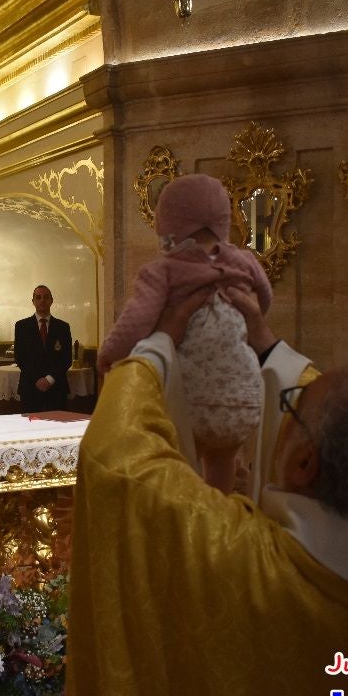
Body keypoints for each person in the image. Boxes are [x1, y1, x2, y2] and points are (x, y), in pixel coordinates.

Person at [66, 286, 348, 696]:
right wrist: (268, 345)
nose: (291, 403)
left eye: (293, 407)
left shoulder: (240, 560)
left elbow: (118, 460)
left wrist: (156, 345)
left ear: (305, 464)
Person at [98, 173, 272, 493]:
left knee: (184, 471)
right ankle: (219, 514)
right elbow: (263, 300)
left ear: (169, 221)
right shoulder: (244, 260)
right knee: (222, 471)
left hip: (190, 397)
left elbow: (137, 320)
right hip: (243, 396)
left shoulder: (163, 269)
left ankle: (191, 525)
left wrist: (110, 353)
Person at [13, 285, 72, 413]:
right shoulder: (22, 326)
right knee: (30, 429)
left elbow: (66, 359)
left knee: (57, 429)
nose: (42, 301)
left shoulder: (63, 327)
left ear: (51, 300)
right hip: (30, 387)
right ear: (33, 301)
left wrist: (49, 379)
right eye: (38, 297)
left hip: (56, 387)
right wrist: (37, 380)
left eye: (46, 297)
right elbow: (20, 357)